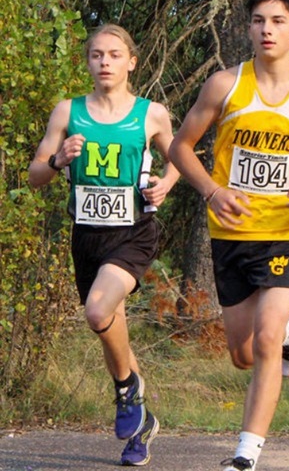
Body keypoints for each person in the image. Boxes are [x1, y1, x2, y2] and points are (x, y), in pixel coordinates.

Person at [168, 0, 289, 471]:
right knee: (243, 353)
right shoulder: (224, 85)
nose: (267, 30)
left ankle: (245, 454)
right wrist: (212, 190)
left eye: (277, 22)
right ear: (248, 29)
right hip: (233, 231)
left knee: (267, 338)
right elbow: (180, 147)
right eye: (259, 21)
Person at [28, 24, 180, 466]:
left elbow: (181, 159)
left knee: (97, 311)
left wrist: (165, 185)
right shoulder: (67, 112)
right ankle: (142, 425)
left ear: (131, 62)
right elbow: (35, 176)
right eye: (97, 55)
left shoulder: (151, 114)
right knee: (110, 325)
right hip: (87, 237)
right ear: (88, 62)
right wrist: (58, 161)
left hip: (133, 232)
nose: (105, 62)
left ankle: (126, 390)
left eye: (114, 55)